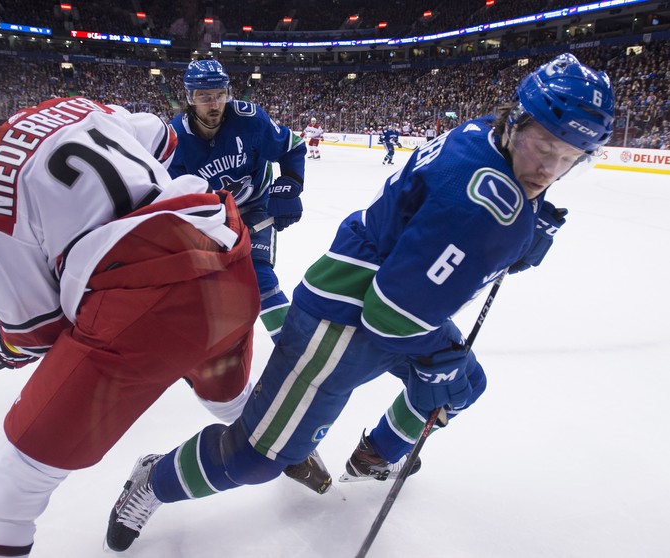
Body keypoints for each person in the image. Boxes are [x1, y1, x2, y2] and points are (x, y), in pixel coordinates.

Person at [105, 52, 614, 552]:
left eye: (568, 156)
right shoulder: (488, 208)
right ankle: (155, 479)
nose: (549, 167)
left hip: (396, 297)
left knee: (464, 385)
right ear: (517, 121)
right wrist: (508, 250)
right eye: (543, 144)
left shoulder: (483, 133)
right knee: (256, 460)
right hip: (342, 322)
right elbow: (391, 316)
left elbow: (423, 271)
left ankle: (377, 454)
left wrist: (522, 230)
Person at [0, 67, 262, 558]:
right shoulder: (70, 106)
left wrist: (6, 344)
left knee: (9, 486)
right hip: (225, 261)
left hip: (143, 313)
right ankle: (276, 444)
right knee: (230, 396)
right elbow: (163, 139)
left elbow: (38, 329)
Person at [165, 60, 329, 494]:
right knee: (208, 303)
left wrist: (289, 184)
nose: (213, 103)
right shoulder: (172, 140)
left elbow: (293, 148)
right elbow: (158, 197)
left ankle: (298, 353)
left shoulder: (251, 120)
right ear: (189, 96)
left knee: (260, 280)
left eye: (219, 93)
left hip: (253, 212)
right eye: (204, 95)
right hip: (206, 222)